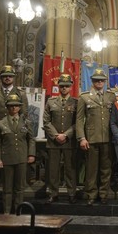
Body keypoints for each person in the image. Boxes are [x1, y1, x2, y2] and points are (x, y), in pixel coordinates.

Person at [0, 65, 29, 204]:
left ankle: (13, 198)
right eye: (5, 76)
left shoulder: (20, 94)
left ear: (14, 78)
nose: (7, 78)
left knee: (14, 167)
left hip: (13, 135)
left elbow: (24, 114)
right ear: (1, 78)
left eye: (10, 76)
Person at [76, 68, 116, 205]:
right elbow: (79, 119)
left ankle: (103, 193)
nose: (99, 82)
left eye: (102, 80)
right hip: (91, 139)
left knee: (106, 168)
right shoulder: (84, 97)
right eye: (97, 80)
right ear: (92, 82)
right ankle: (91, 194)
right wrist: (81, 138)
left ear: (105, 82)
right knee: (91, 169)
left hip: (107, 138)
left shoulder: (111, 96)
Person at [0, 94, 35, 214]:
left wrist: (31, 154)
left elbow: (31, 139)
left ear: (20, 107)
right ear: (7, 107)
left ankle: (18, 212)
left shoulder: (26, 122)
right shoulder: (0, 124)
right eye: (11, 106)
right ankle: (6, 213)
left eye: (16, 105)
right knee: (7, 189)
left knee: (20, 188)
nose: (14, 108)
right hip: (7, 159)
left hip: (21, 158)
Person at [43, 74, 78, 204]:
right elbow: (46, 121)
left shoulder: (76, 102)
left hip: (69, 141)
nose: (64, 88)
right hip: (54, 141)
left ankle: (71, 193)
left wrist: (66, 134)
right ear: (58, 87)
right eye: (62, 86)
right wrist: (56, 135)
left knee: (70, 169)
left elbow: (78, 122)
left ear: (70, 87)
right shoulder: (51, 102)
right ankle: (53, 193)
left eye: (66, 86)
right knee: (53, 169)